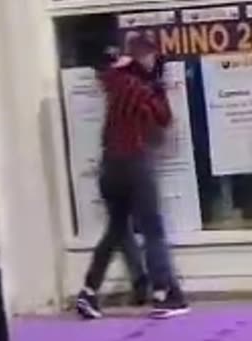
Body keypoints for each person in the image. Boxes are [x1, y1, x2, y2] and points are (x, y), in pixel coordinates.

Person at [75, 35, 189, 320]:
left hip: (109, 167)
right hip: (135, 163)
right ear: (143, 59)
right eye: (151, 56)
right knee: (152, 229)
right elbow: (163, 117)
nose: (155, 61)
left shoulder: (114, 82)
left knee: (115, 230)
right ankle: (164, 294)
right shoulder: (139, 89)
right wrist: (159, 87)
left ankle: (89, 292)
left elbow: (107, 73)